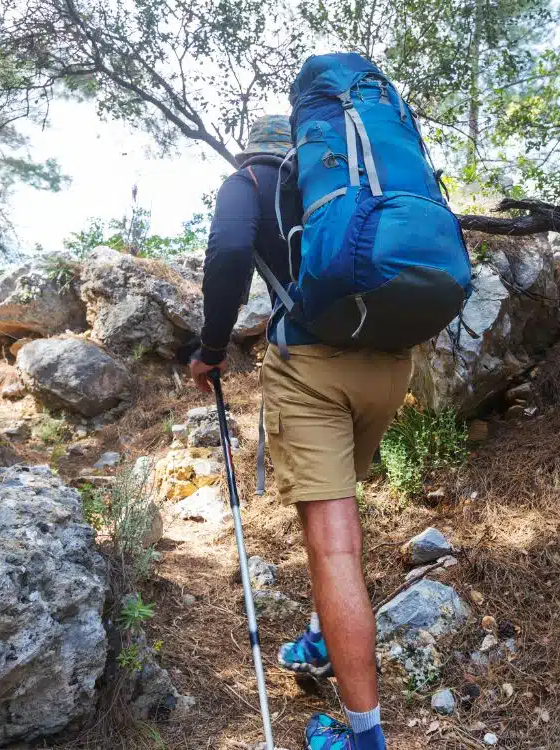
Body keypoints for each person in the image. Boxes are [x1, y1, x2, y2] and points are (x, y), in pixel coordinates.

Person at [189, 114, 410, 750]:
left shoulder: (250, 182)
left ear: (252, 152)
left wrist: (210, 347)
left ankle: (365, 740)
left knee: (333, 549)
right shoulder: (355, 180)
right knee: (339, 521)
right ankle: (318, 640)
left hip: (314, 367)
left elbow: (230, 251)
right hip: (391, 362)